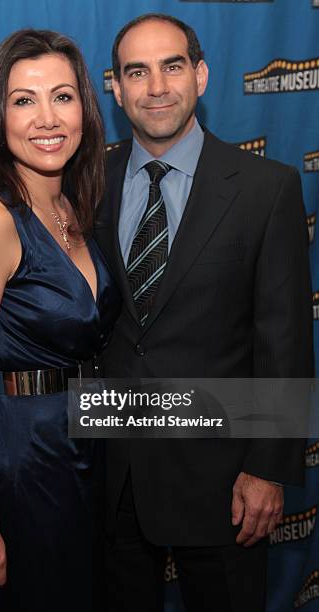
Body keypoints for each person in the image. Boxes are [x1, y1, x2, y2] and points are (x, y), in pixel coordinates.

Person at [94, 13, 313, 612]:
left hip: (224, 482)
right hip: (112, 475)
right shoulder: (88, 183)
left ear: (202, 75)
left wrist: (267, 469)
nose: (156, 86)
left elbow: (284, 338)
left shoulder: (268, 188)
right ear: (115, 88)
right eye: (136, 72)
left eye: (172, 66)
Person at [0, 29, 120, 612]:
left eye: (63, 97)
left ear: (85, 113)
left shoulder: (73, 208)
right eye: (23, 100)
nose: (47, 118)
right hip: (32, 459)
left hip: (95, 447)